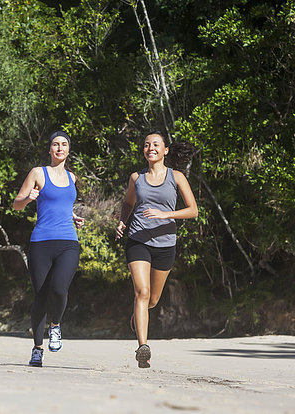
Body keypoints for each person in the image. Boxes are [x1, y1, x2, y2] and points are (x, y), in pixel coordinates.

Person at [115, 131, 197, 368]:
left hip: (165, 244)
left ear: (165, 150)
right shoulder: (136, 178)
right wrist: (122, 221)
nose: (150, 148)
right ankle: (143, 347)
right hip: (138, 240)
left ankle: (137, 316)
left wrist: (166, 214)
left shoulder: (177, 177)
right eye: (146, 145)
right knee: (141, 292)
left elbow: (193, 210)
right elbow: (128, 203)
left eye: (156, 144)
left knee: (152, 299)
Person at [13, 131, 85, 367]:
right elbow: (16, 205)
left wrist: (73, 216)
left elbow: (61, 205)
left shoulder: (72, 177)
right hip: (41, 242)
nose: (60, 148)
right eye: (55, 144)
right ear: (50, 149)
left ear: (68, 149)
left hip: (68, 242)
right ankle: (37, 348)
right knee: (41, 296)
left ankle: (55, 326)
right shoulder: (38, 173)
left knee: (59, 289)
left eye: (64, 144)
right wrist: (28, 198)